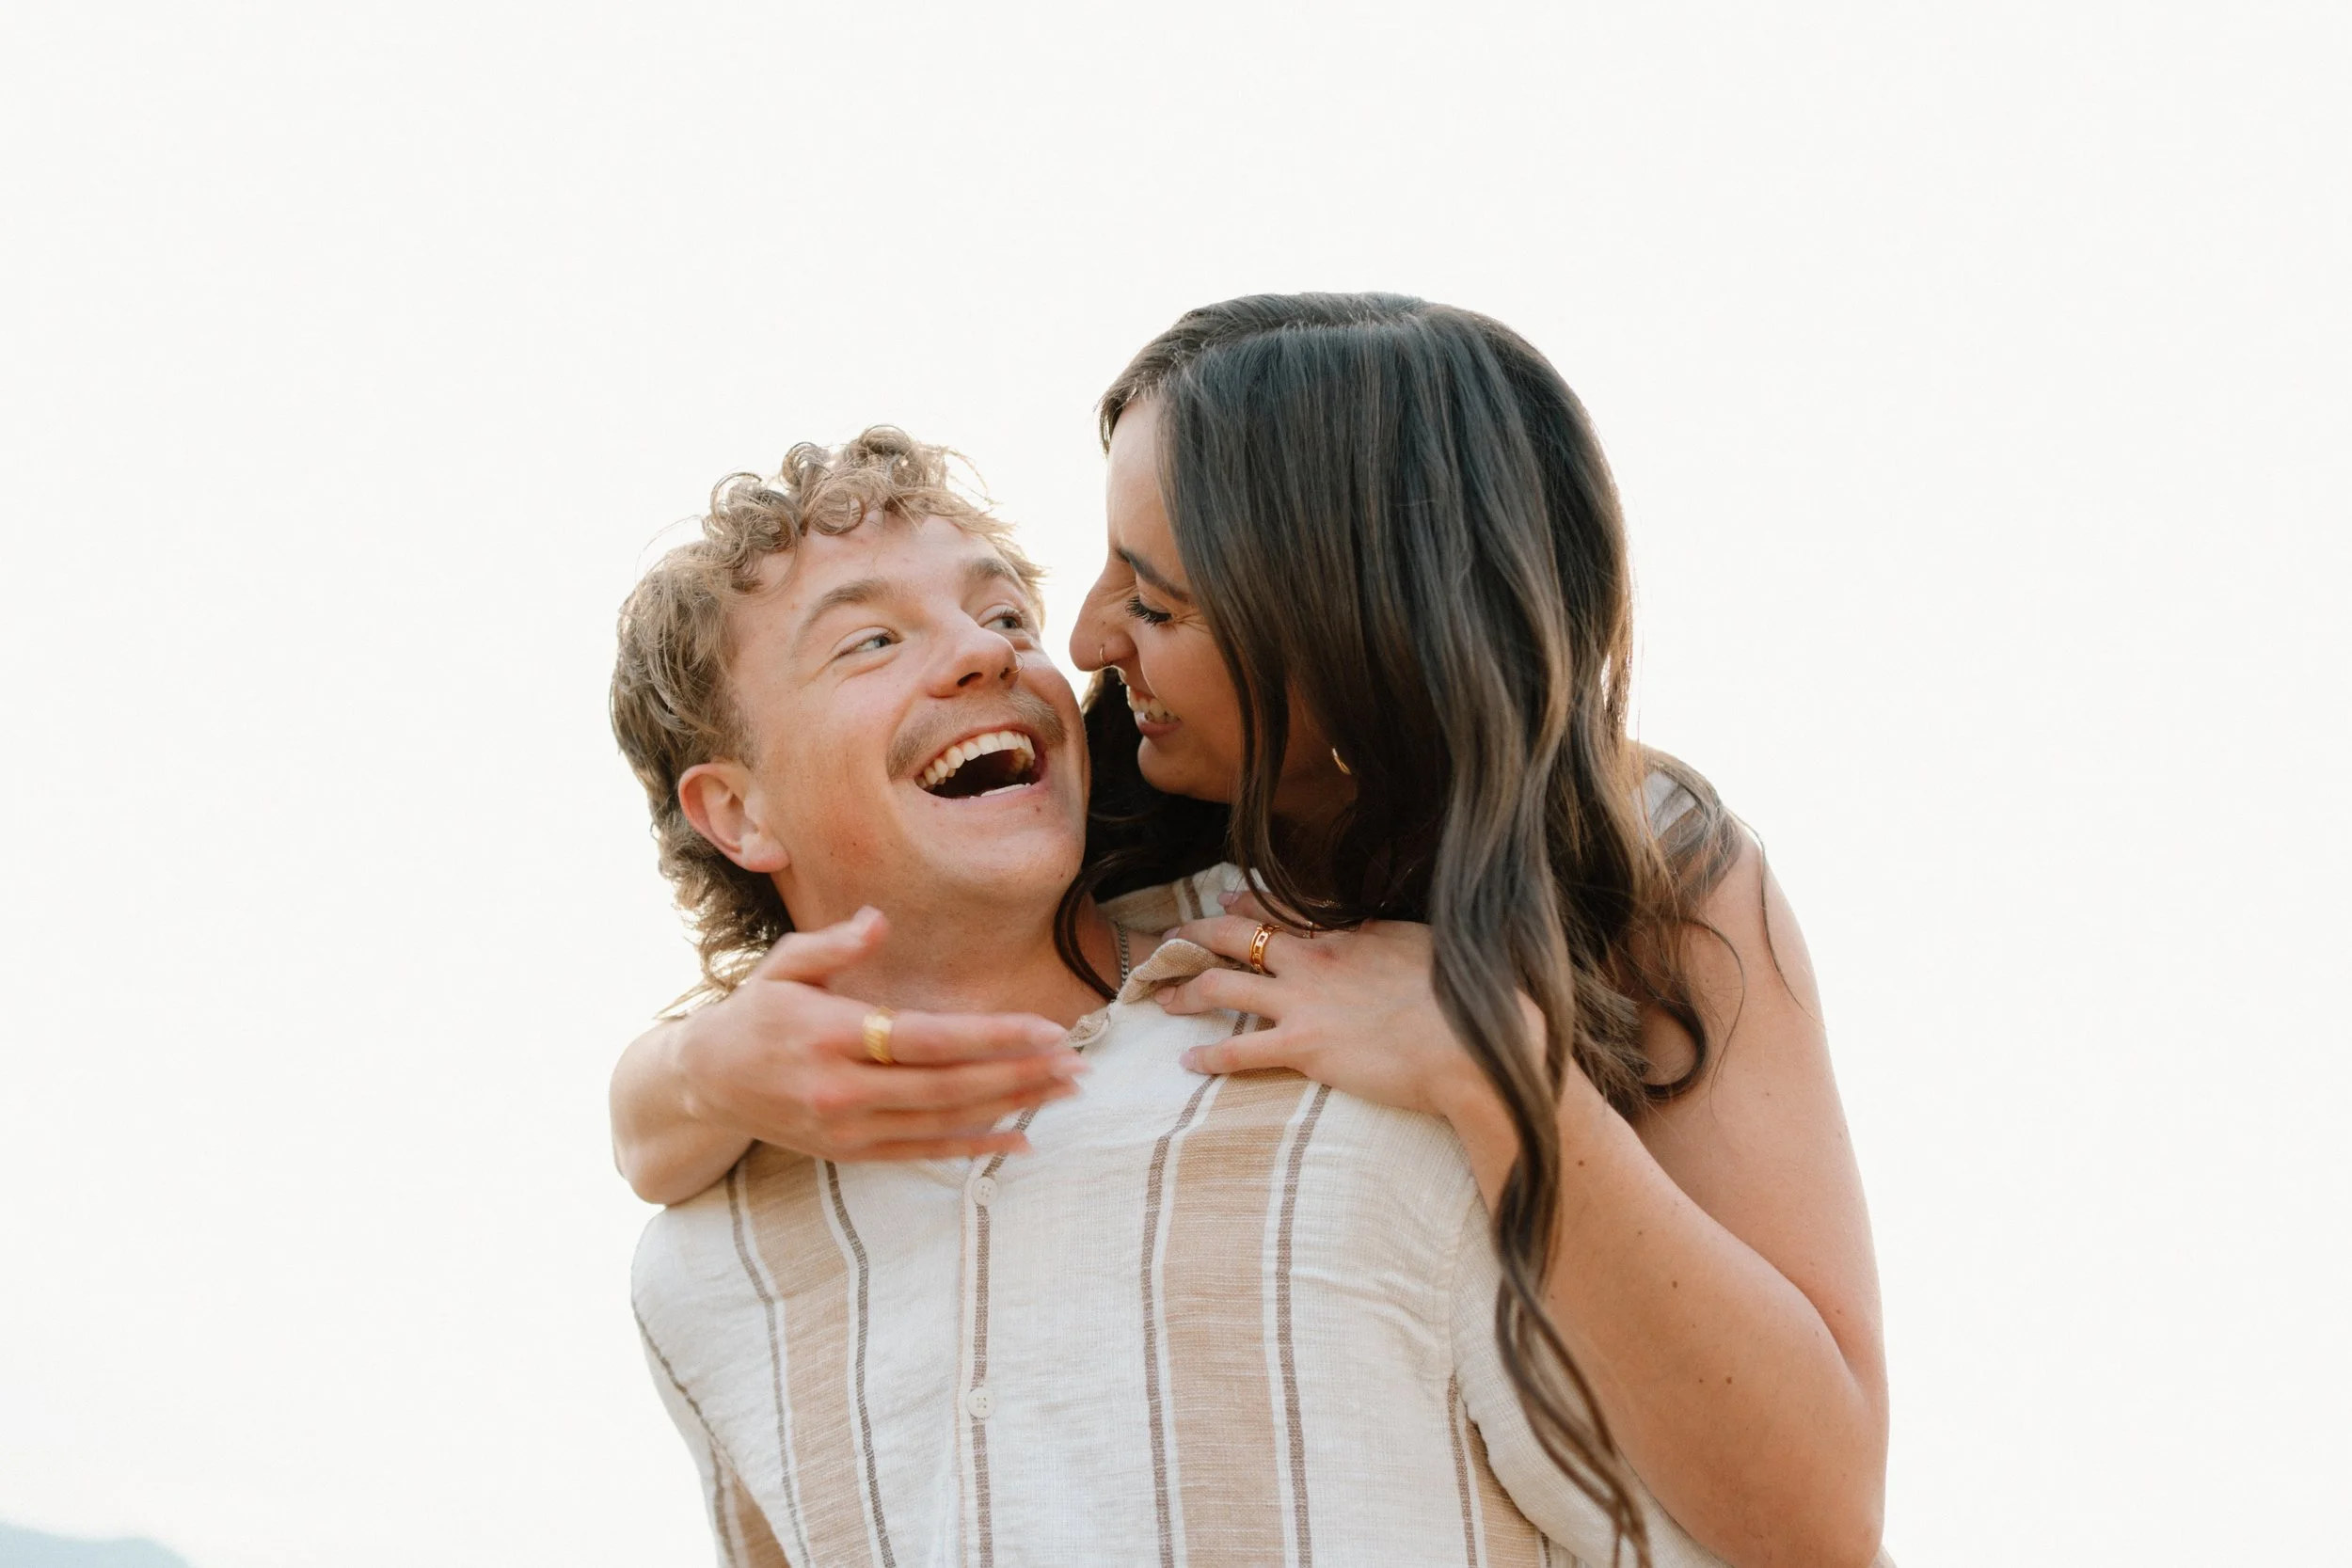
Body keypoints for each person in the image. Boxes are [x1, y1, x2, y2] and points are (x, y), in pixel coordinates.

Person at [612, 296, 1889, 1568]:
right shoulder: (715, 1253)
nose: (1064, 644)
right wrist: (688, 1075)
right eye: (875, 638)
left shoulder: (1512, 922)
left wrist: (1490, 1059)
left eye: (1144, 601)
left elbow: (1803, 1523)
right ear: (735, 808)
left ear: (1329, 622)